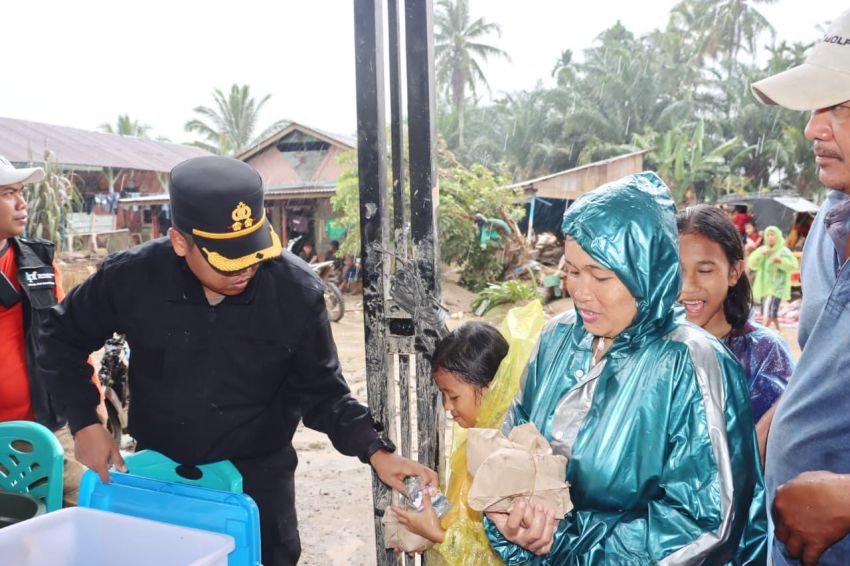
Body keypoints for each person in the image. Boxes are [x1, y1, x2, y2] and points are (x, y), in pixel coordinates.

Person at [37, 156, 437, 566]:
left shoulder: (294, 292)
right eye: (227, 258)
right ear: (180, 242)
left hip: (257, 479)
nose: (245, 268)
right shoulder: (133, 278)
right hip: (163, 471)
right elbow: (59, 336)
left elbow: (323, 393)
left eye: (253, 252)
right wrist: (86, 422)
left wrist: (377, 451)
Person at [483, 172, 766, 564]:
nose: (581, 292)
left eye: (600, 276)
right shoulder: (559, 339)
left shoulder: (691, 362)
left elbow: (707, 524)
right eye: (573, 271)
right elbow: (512, 445)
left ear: (647, 272)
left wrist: (569, 544)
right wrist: (513, 518)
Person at [751, 8, 850, 564]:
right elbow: (824, 366)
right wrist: (774, 428)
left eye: (843, 108)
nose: (813, 127)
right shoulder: (828, 227)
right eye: (817, 106)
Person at [391, 301, 544, 565]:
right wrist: (432, 510)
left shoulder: (508, 455)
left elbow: (498, 556)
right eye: (443, 395)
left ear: (487, 389)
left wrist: (438, 535)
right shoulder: (477, 435)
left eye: (453, 396)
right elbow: (468, 521)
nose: (447, 407)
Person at [0, 155, 104, 507]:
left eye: (21, 191)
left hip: (51, 430)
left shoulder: (38, 262)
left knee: (89, 508)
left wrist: (95, 399)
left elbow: (67, 337)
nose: (21, 203)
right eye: (7, 193)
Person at [677, 205, 794, 426]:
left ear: (734, 272)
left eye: (704, 271)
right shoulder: (655, 348)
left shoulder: (765, 353)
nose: (688, 286)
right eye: (677, 271)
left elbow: (775, 445)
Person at [747, 226, 798, 332]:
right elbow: (752, 264)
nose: (770, 237)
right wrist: (761, 255)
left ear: (778, 236)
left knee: (768, 310)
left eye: (772, 234)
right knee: (769, 310)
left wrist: (781, 261)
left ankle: (762, 332)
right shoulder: (762, 250)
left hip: (778, 286)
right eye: (768, 235)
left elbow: (793, 266)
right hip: (764, 286)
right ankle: (778, 330)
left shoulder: (784, 251)